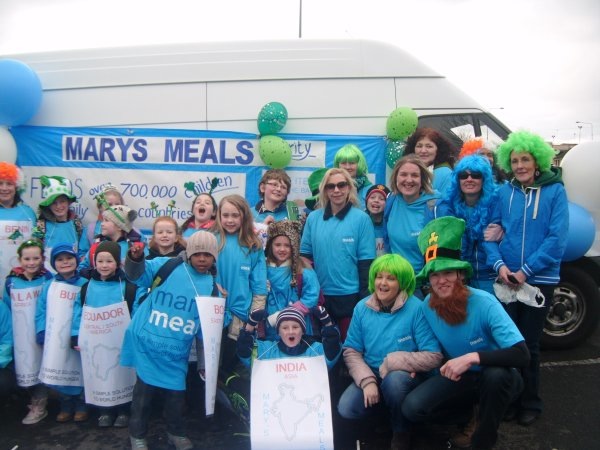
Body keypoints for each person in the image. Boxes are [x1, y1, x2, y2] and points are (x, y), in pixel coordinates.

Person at [401, 216, 530, 450]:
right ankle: (469, 414)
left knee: (495, 376)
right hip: (463, 378)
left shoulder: (484, 302)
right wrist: (415, 366)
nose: (441, 281)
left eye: (447, 272)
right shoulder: (426, 307)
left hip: (500, 377)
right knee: (413, 407)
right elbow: (430, 349)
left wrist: (473, 357)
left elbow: (522, 355)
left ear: (460, 274)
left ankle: (483, 437)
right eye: (434, 275)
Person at [483, 130, 568, 427]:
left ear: (537, 161)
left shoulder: (556, 191)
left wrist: (525, 272)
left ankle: (531, 401)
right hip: (506, 278)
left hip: (538, 279)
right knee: (508, 343)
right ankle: (510, 399)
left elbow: (556, 239)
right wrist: (500, 266)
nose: (520, 165)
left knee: (529, 343)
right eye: (515, 160)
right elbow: (490, 233)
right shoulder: (504, 192)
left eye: (525, 159)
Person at [121, 231, 221, 450]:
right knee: (143, 396)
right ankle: (137, 435)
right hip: (148, 344)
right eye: (197, 254)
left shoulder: (212, 287)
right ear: (188, 253)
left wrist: (205, 363)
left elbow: (208, 330)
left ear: (215, 257)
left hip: (176, 353)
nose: (202, 259)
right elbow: (136, 275)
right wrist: (136, 258)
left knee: (176, 398)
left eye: (207, 254)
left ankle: (175, 432)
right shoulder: (169, 266)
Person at [337, 254, 443, 450]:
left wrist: (394, 362)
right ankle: (383, 417)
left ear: (402, 283)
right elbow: (351, 351)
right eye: (379, 276)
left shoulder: (417, 309)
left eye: (391, 278)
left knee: (394, 383)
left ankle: (401, 430)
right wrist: (367, 381)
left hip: (405, 377)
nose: (383, 283)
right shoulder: (362, 308)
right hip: (372, 374)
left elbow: (433, 355)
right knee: (347, 407)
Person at [300, 168, 376, 340]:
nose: (336, 190)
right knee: (324, 349)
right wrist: (309, 291)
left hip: (351, 297)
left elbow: (366, 265)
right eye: (330, 186)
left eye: (341, 185)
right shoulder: (313, 218)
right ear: (324, 190)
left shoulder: (362, 219)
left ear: (349, 187)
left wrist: (365, 300)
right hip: (320, 296)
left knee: (350, 350)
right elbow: (304, 257)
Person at [71, 241, 137, 428]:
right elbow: (78, 313)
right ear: (94, 263)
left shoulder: (128, 287)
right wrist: (75, 335)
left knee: (122, 373)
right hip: (96, 341)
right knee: (100, 374)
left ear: (118, 263)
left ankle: (124, 409)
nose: (105, 265)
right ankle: (104, 411)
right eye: (100, 261)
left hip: (120, 341)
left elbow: (136, 310)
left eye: (109, 261)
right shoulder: (86, 288)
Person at [212, 195, 267, 374]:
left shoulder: (253, 246)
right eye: (225, 215)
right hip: (211, 315)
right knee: (208, 369)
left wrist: (252, 321)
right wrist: (212, 286)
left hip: (239, 320)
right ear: (219, 215)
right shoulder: (210, 240)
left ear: (244, 216)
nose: (229, 220)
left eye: (235, 215)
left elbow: (259, 289)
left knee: (229, 370)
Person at [35, 243, 88, 422]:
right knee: (60, 368)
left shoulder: (85, 284)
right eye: (60, 259)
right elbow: (41, 310)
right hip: (55, 337)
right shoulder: (49, 285)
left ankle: (81, 405)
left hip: (77, 336)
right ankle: (66, 406)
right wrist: (41, 330)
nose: (65, 262)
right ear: (53, 263)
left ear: (76, 260)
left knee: (78, 370)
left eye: (69, 258)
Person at [3, 239, 52, 424]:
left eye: (35, 258)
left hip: (40, 331)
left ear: (42, 259)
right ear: (19, 259)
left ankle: (40, 404)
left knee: (40, 366)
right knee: (24, 366)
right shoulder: (11, 281)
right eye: (27, 258)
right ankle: (26, 399)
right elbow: (7, 308)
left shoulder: (47, 279)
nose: (31, 262)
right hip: (19, 334)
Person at [436, 154, 499, 294]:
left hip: (488, 276)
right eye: (463, 175)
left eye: (475, 175)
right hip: (458, 278)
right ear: (457, 180)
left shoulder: (497, 204)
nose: (469, 179)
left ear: (484, 179)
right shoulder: (448, 206)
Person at [383, 155, 440, 295]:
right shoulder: (391, 200)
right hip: (396, 283)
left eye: (414, 175)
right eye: (403, 174)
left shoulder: (435, 205)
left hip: (424, 287)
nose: (409, 180)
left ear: (422, 179)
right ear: (396, 177)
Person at [262, 220, 321, 340]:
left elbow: (312, 296)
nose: (282, 249)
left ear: (294, 246)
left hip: (297, 325)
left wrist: (286, 314)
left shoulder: (303, 268)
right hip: (270, 327)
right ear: (270, 245)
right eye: (277, 245)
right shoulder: (263, 268)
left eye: (287, 245)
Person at [32, 175, 84, 272]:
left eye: (62, 201)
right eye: (54, 203)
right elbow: (36, 251)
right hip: (48, 275)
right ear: (48, 205)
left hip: (72, 274)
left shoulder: (76, 223)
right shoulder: (41, 225)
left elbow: (82, 249)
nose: (59, 206)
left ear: (68, 202)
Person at [0, 162, 37, 294]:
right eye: (0, 183)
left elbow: (36, 244)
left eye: (9, 183)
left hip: (22, 282)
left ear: (17, 187)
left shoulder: (28, 213)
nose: (4, 188)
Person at [79, 204, 144, 271]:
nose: (102, 224)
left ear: (119, 226)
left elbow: (143, 270)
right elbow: (82, 267)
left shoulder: (133, 248)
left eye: (106, 220)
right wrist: (92, 276)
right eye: (103, 220)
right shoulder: (97, 245)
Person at [404, 128, 458, 195]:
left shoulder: (445, 173)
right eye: (419, 146)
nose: (423, 151)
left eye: (429, 146)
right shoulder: (408, 171)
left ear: (438, 150)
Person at [79, 184, 125, 256]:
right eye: (109, 204)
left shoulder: (130, 230)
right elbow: (82, 254)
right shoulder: (90, 230)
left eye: (117, 204)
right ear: (100, 207)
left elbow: (143, 257)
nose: (113, 208)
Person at [333, 144, 373, 208]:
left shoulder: (370, 190)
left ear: (359, 164)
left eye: (352, 163)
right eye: (343, 163)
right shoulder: (331, 187)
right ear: (338, 165)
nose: (347, 167)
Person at [364, 184, 390, 257]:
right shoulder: (361, 224)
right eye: (372, 197)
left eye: (381, 199)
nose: (376, 201)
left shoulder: (391, 225)